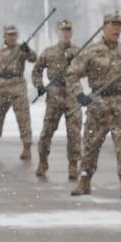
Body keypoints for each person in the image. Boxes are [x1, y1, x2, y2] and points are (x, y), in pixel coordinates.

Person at [67, 12, 121, 198]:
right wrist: (79, 95)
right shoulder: (91, 51)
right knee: (91, 146)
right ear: (104, 27)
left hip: (120, 105)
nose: (117, 29)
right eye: (113, 25)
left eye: (120, 26)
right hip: (98, 105)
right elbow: (72, 73)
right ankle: (84, 181)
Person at [31, 19, 82, 179]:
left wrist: (75, 63)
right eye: (62, 30)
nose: (65, 33)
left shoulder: (78, 52)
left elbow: (89, 69)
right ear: (58, 33)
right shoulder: (49, 52)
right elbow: (36, 70)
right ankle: (42, 162)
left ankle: (73, 165)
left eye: (68, 30)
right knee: (47, 132)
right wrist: (39, 85)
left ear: (71, 33)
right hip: (54, 94)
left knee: (74, 133)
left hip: (73, 93)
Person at [0, 25, 37, 161]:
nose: (12, 37)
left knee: (23, 119)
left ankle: (27, 148)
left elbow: (34, 59)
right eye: (9, 35)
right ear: (4, 36)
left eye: (14, 35)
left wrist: (28, 51)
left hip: (18, 86)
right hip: (1, 88)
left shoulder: (21, 49)